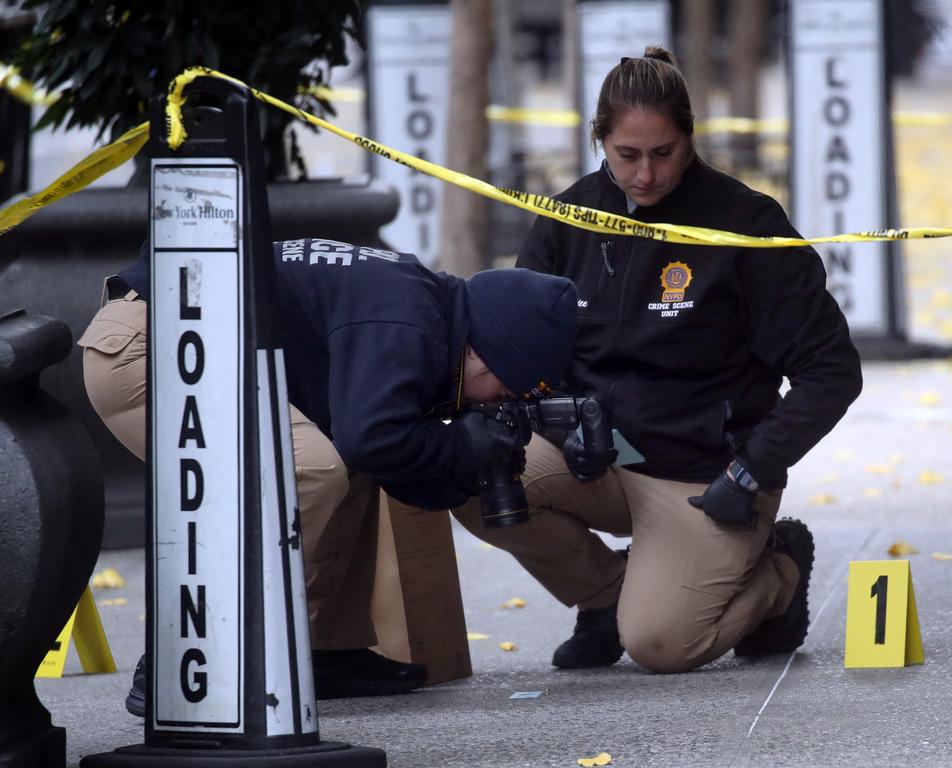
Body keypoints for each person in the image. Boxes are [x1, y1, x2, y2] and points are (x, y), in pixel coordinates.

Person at [452, 46, 862, 673]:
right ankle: (604, 597)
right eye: (627, 156)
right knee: (466, 472)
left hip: (705, 474)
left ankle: (778, 571)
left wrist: (752, 470)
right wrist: (555, 415)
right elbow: (514, 351)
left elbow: (832, 373)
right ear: (600, 141)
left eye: (662, 154)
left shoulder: (745, 225)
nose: (644, 175)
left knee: (661, 646)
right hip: (591, 454)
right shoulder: (565, 220)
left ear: (689, 139)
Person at [79, 237, 578, 714]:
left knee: (345, 461)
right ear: (482, 350)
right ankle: (187, 653)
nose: (497, 404)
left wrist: (469, 464)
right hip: (150, 350)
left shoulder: (429, 317)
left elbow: (391, 465)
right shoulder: (407, 321)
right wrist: (463, 442)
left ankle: (322, 651)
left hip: (186, 342)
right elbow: (373, 439)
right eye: (506, 391)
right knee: (308, 467)